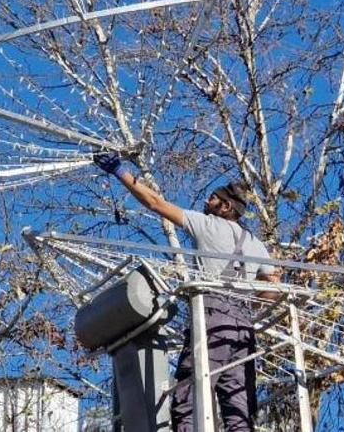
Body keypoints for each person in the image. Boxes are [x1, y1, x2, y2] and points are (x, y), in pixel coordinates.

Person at [93, 152, 279, 432]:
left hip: (213, 319)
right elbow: (273, 287)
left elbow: (155, 203)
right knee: (238, 408)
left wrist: (120, 171)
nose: (207, 202)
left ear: (226, 207)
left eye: (213, 199)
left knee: (189, 399)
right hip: (243, 329)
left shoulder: (207, 224)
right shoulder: (255, 243)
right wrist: (248, 311)